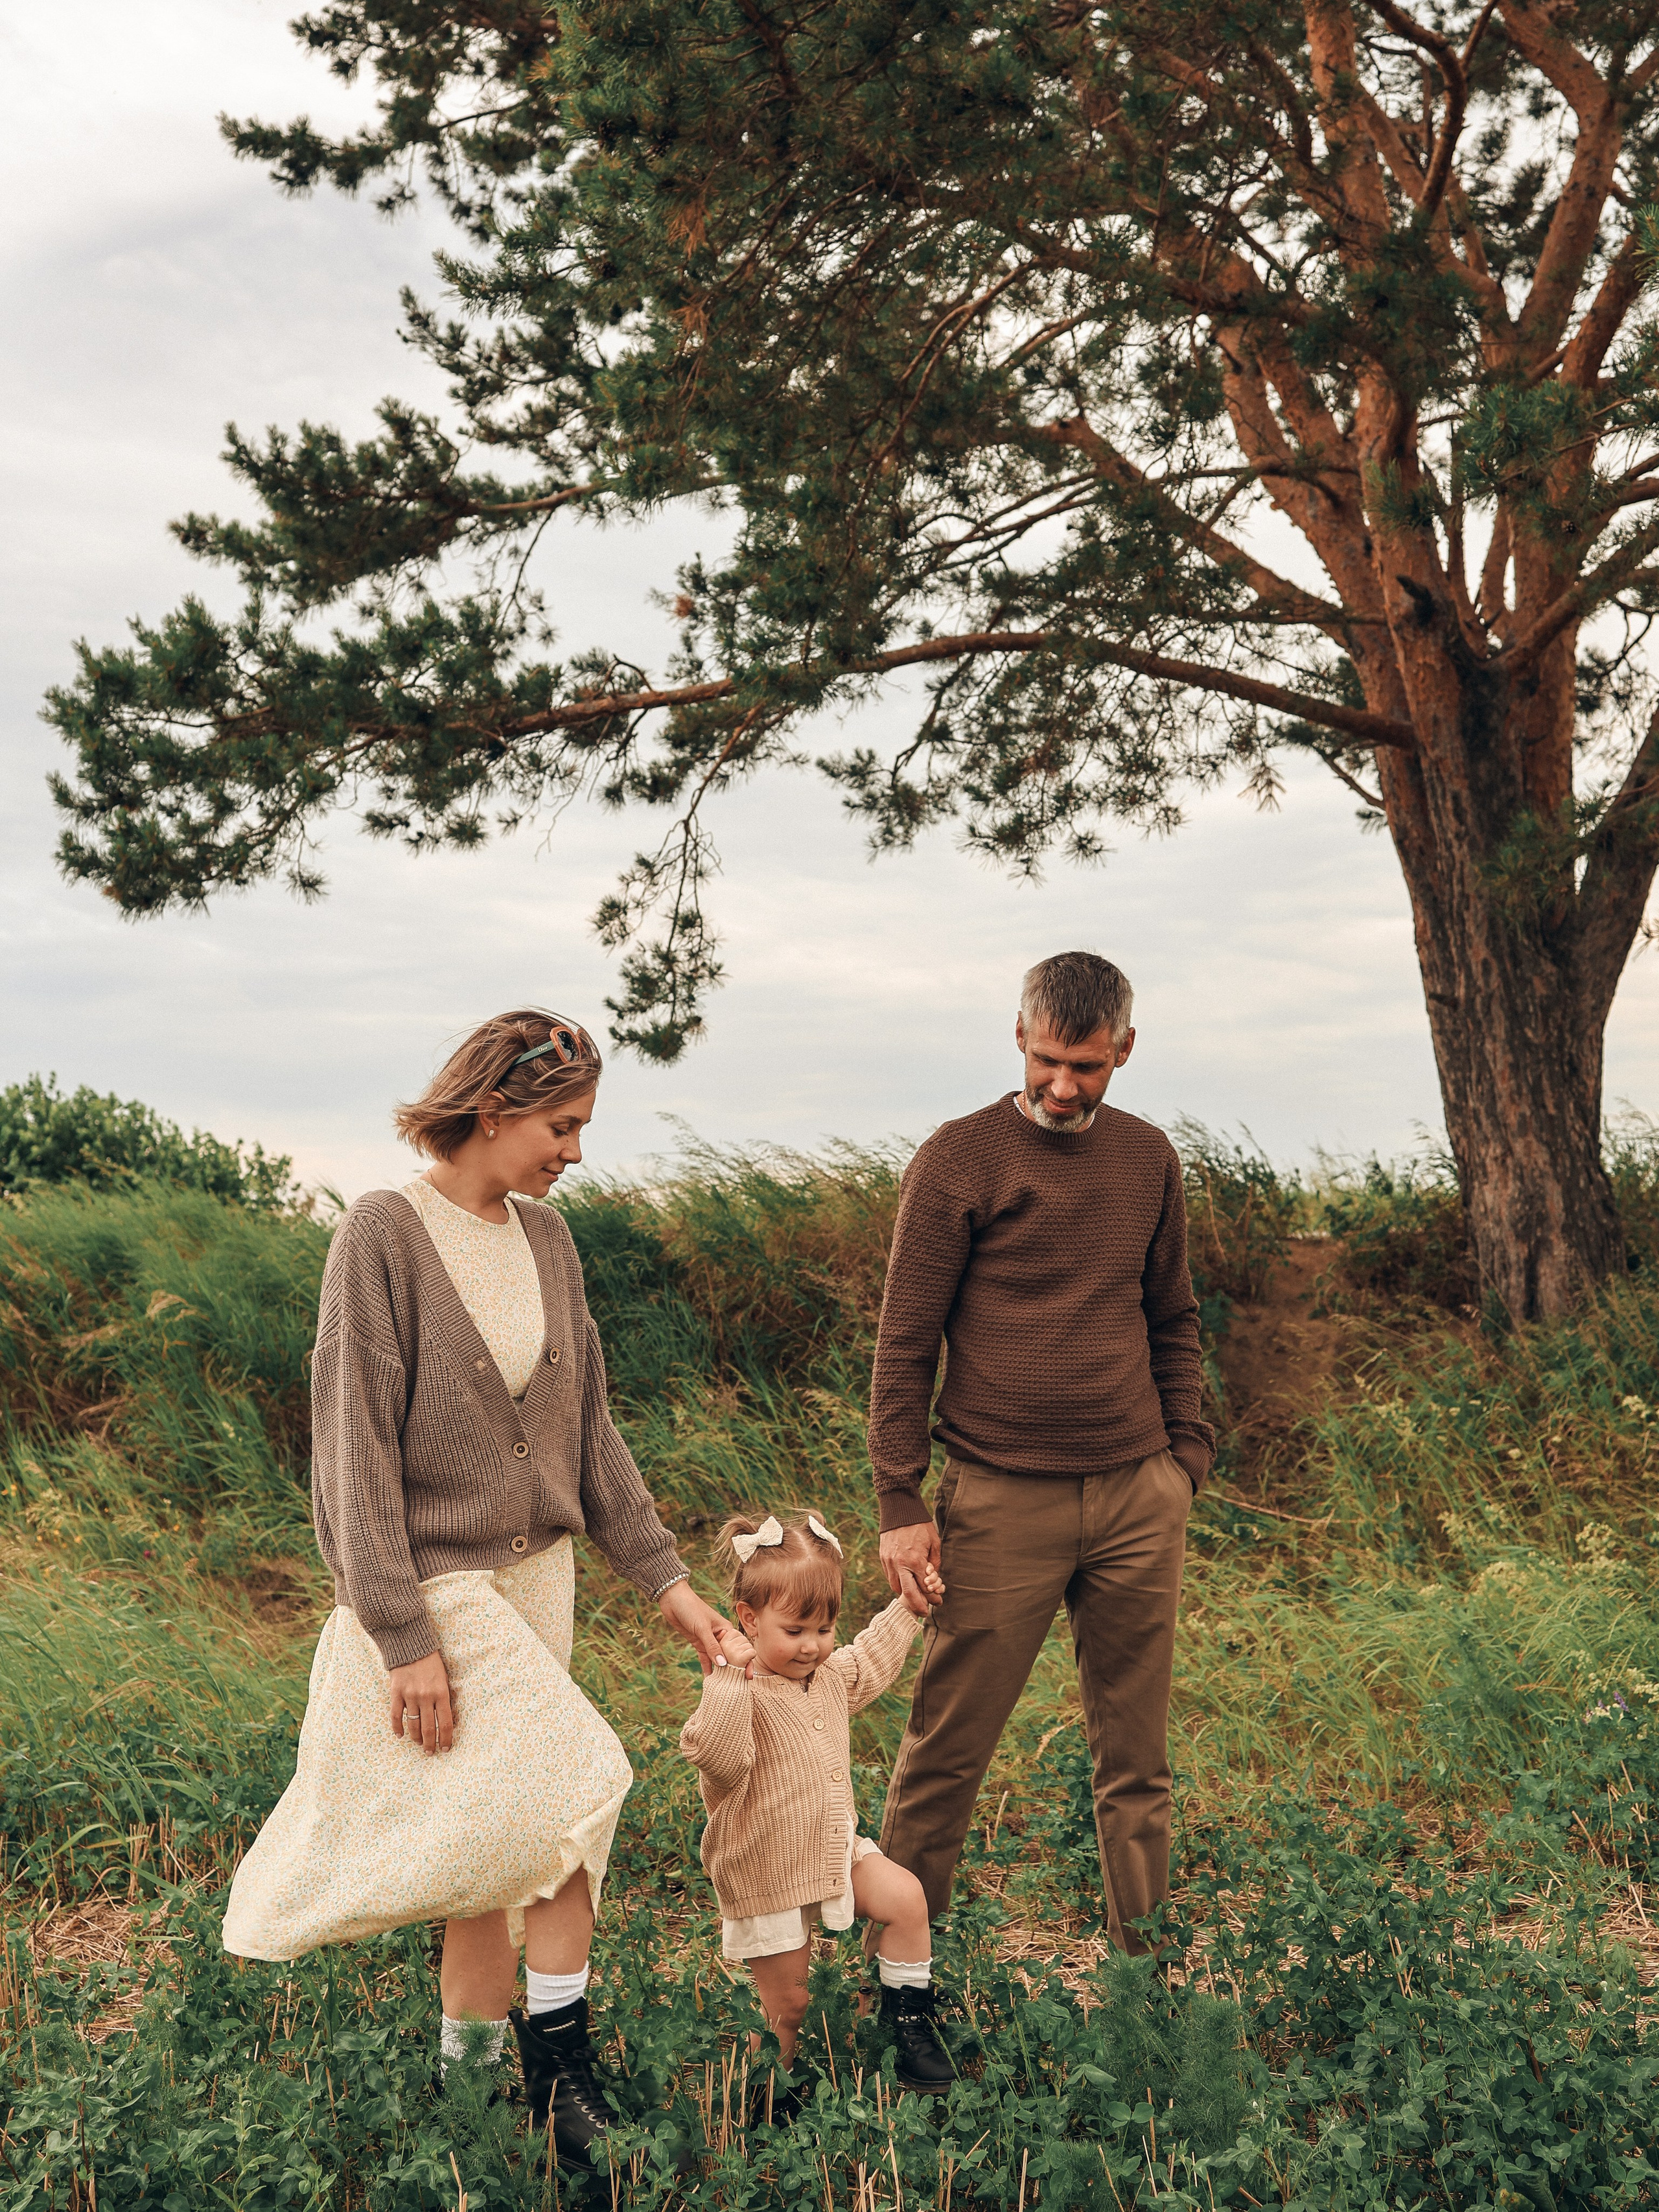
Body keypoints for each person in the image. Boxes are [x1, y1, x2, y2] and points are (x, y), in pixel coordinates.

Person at [222, 1008, 744, 2168]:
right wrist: (398, 1629)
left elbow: (588, 1431)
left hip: (539, 1587)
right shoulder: (383, 1233)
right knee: (577, 1798)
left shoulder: (550, 1239)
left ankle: (467, 2106)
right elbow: (349, 1446)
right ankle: (565, 2088)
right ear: (494, 1110)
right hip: (442, 1598)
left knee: (495, 1849)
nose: (574, 1150)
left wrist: (669, 1581)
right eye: (562, 1125)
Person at [868, 951, 1214, 1956]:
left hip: (1136, 1492)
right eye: (1050, 1061)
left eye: (1090, 1068)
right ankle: (900, 1976)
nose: (1064, 1087)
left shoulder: (1148, 1159)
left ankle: (1142, 1981)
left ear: (1125, 1053)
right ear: (1019, 1035)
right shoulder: (959, 1158)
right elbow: (905, 1340)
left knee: (1136, 1759)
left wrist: (1182, 1457)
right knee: (946, 1751)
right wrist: (900, 1498)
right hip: (998, 1499)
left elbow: (1173, 1315)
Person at [679, 1512, 953, 2119]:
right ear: (748, 1620)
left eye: (824, 1627)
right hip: (768, 1867)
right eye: (795, 1628)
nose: (812, 1644)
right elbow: (714, 1757)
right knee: (789, 2007)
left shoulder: (826, 1677)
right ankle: (763, 2098)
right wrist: (726, 1675)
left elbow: (869, 1659)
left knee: (906, 1897)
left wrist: (906, 1609)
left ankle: (907, 2024)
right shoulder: (740, 1693)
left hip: (832, 1847)